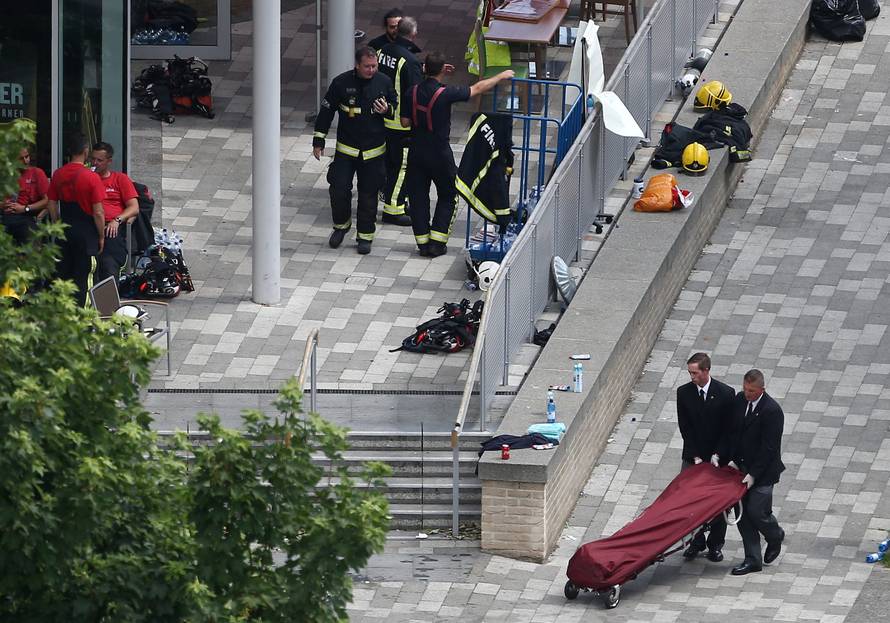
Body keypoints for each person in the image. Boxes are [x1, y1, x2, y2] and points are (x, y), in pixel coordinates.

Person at [401, 51, 513, 257]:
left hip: (416, 152)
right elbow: (477, 88)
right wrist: (500, 76)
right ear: (443, 70)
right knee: (448, 194)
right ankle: (437, 242)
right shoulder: (446, 93)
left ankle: (423, 243)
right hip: (440, 153)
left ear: (424, 69)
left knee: (418, 197)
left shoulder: (412, 92)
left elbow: (404, 122)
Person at [313, 46, 397, 255]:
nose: (371, 70)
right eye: (367, 66)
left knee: (369, 195)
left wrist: (387, 110)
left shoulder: (384, 82)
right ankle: (341, 226)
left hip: (374, 152)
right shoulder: (341, 83)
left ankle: (365, 236)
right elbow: (326, 110)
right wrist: (319, 140)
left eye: (374, 66)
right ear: (357, 65)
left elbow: (395, 106)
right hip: (346, 150)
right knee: (338, 189)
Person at [722, 369, 787, 576]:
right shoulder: (741, 401)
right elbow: (734, 432)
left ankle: (774, 535)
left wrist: (754, 475)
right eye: (745, 389)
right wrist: (731, 459)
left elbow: (769, 448)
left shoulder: (772, 411)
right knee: (744, 516)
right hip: (740, 469)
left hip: (763, 472)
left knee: (758, 512)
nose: (747, 394)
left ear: (762, 389)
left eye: (751, 390)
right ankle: (753, 559)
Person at [676, 352, 735, 563]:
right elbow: (686, 428)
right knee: (689, 501)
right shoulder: (684, 393)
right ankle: (696, 541)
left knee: (717, 502)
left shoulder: (726, 394)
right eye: (690, 373)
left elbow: (728, 430)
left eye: (695, 373)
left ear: (706, 371)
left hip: (717, 457)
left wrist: (717, 455)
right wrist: (696, 457)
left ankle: (715, 544)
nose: (692, 377)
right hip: (694, 456)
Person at [47, 133, 106, 306]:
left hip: (65, 230)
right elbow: (98, 213)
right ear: (85, 151)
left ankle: (63, 314)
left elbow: (51, 204)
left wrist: (58, 224)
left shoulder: (58, 174)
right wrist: (101, 236)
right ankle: (85, 319)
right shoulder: (91, 177)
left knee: (65, 274)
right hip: (86, 235)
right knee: (86, 277)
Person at [376, 16, 423, 226]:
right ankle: (393, 208)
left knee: (389, 163)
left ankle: (399, 202)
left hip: (381, 117)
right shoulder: (409, 60)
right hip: (400, 123)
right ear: (413, 34)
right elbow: (414, 93)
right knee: (401, 165)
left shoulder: (382, 51)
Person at [90, 142, 139, 284]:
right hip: (91, 224)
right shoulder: (88, 179)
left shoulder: (120, 179)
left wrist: (117, 220)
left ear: (109, 161)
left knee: (108, 262)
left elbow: (134, 207)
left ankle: (109, 298)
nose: (95, 163)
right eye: (93, 159)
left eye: (99, 160)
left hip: (112, 226)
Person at [2, 145, 49, 245]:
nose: (25, 161)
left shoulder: (37, 173)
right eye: (21, 158)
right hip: (5, 216)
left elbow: (47, 200)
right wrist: (2, 205)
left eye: (27, 157)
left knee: (30, 235)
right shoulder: (6, 174)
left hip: (26, 216)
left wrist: (25, 208)